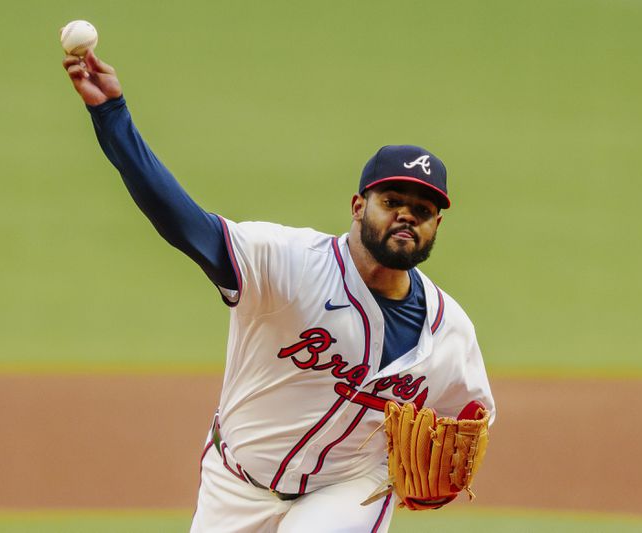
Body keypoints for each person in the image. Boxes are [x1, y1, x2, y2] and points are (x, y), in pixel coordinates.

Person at [63, 50, 496, 533]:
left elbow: (470, 414)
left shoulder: (450, 330)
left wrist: (445, 472)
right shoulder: (287, 263)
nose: (406, 216)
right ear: (357, 206)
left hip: (347, 489)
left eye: (422, 210)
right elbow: (182, 222)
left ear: (437, 224)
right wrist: (112, 116)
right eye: (392, 201)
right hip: (235, 480)